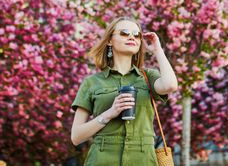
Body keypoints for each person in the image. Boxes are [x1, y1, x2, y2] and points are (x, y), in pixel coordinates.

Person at [70, 16, 178, 165]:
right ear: (109, 40)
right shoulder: (92, 83)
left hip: (143, 160)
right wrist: (109, 113)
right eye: (124, 33)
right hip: (102, 160)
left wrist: (157, 50)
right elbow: (76, 137)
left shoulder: (149, 76)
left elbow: (170, 85)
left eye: (137, 35)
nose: (131, 37)